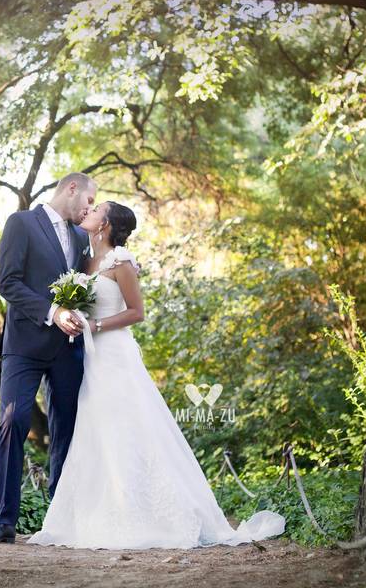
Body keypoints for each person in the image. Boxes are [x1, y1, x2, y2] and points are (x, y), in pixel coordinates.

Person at [26, 201, 286, 549]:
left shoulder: (122, 261)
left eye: (96, 209)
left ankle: (147, 515)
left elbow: (137, 313)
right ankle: (98, 514)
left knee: (128, 426)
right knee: (97, 428)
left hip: (116, 354)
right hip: (91, 358)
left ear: (106, 224)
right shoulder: (83, 262)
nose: (88, 210)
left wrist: (96, 324)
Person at [0, 172, 97, 544]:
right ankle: (5, 521)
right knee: (13, 423)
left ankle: (59, 522)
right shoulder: (22, 223)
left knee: (66, 432)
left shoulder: (80, 238)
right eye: (89, 200)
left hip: (68, 351)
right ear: (71, 188)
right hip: (24, 347)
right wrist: (52, 312)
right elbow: (8, 282)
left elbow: (92, 282)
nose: (90, 209)